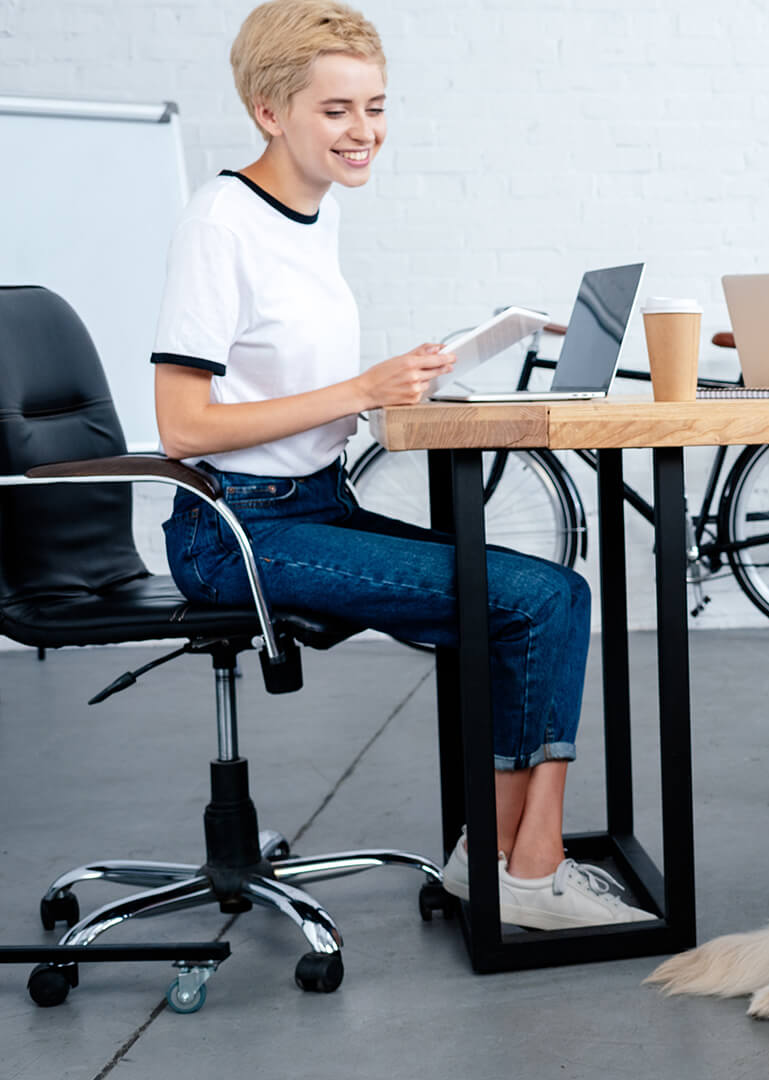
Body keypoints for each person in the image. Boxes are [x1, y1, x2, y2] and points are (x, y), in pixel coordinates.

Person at [151, 0, 646, 930]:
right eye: (337, 110)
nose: (365, 131)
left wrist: (405, 380)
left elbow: (288, 385)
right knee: (537, 602)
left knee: (550, 596)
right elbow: (182, 426)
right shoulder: (223, 220)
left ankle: (500, 862)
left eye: (375, 106)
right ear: (269, 110)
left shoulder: (313, 216)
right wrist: (358, 388)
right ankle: (522, 871)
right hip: (240, 531)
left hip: (314, 503)